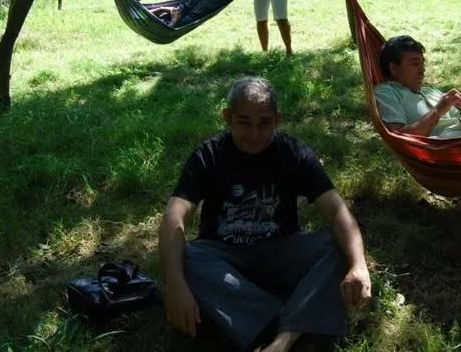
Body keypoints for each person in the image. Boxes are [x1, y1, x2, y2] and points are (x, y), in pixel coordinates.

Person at [159, 77, 372, 352]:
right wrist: (175, 285)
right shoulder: (208, 155)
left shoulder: (293, 153)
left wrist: (358, 265)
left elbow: (336, 210)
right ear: (227, 117)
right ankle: (295, 317)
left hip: (280, 251)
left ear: (278, 119)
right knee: (184, 257)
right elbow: (174, 217)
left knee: (338, 246)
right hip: (224, 257)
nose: (255, 134)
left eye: (264, 123)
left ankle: (283, 338)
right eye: (244, 122)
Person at [373, 36, 461, 139]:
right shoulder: (386, 92)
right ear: (393, 68)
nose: (422, 70)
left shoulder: (432, 92)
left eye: (422, 64)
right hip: (442, 151)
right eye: (415, 64)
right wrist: (438, 110)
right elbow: (399, 138)